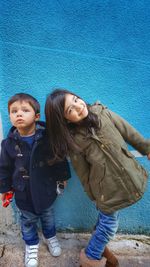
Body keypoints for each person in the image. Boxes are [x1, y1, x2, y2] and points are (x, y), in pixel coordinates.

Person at [45, 88, 150, 267]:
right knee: (109, 226)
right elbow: (83, 173)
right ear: (64, 120)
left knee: (105, 222)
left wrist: (146, 147)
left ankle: (101, 249)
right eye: (70, 110)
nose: (78, 107)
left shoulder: (102, 113)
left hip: (129, 174)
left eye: (77, 100)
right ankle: (90, 258)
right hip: (105, 190)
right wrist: (93, 197)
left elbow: (128, 131)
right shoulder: (74, 141)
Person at [0, 93, 71, 267]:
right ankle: (31, 245)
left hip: (45, 189)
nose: (18, 114)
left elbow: (59, 157)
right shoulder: (8, 144)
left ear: (36, 116)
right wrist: (4, 188)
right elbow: (4, 168)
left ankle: (50, 237)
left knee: (48, 216)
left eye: (25, 110)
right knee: (28, 220)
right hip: (23, 192)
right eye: (14, 111)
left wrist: (63, 177)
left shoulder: (47, 138)